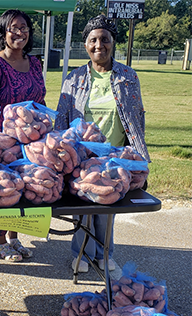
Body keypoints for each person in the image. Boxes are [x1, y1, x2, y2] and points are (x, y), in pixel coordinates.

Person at [55, 15, 150, 273]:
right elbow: (61, 118)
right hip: (82, 157)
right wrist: (58, 155)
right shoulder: (74, 79)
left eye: (105, 39)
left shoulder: (128, 77)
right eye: (93, 40)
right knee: (84, 209)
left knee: (108, 210)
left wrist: (140, 158)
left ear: (113, 43)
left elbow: (136, 119)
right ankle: (82, 254)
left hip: (116, 156)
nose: (99, 45)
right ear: (85, 45)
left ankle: (105, 255)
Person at [0, 9, 46, 262]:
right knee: (4, 190)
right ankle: (0, 240)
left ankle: (16, 237)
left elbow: (41, 99)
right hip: (3, 142)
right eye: (13, 28)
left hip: (33, 141)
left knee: (26, 189)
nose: (19, 33)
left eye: (24, 28)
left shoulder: (35, 63)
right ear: (3, 32)